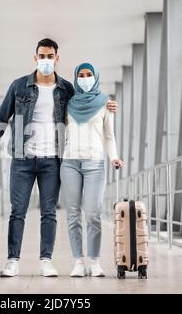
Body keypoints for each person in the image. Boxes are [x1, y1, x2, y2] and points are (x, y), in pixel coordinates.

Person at [0, 39, 118, 277]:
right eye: (42, 56)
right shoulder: (19, 86)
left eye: (50, 56)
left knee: (49, 212)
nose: (46, 61)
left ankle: (46, 260)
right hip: (22, 159)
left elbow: (87, 102)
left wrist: (107, 104)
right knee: (18, 211)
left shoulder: (66, 89)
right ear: (35, 58)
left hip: (52, 160)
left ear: (57, 58)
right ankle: (12, 261)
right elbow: (2, 117)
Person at [60, 63, 124, 277]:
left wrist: (113, 156)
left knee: (94, 214)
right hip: (69, 163)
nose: (85, 78)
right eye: (81, 75)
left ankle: (95, 261)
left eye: (89, 75)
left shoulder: (106, 104)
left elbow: (109, 135)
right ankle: (78, 261)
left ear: (95, 78)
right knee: (73, 214)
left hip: (95, 164)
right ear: (76, 79)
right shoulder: (68, 104)